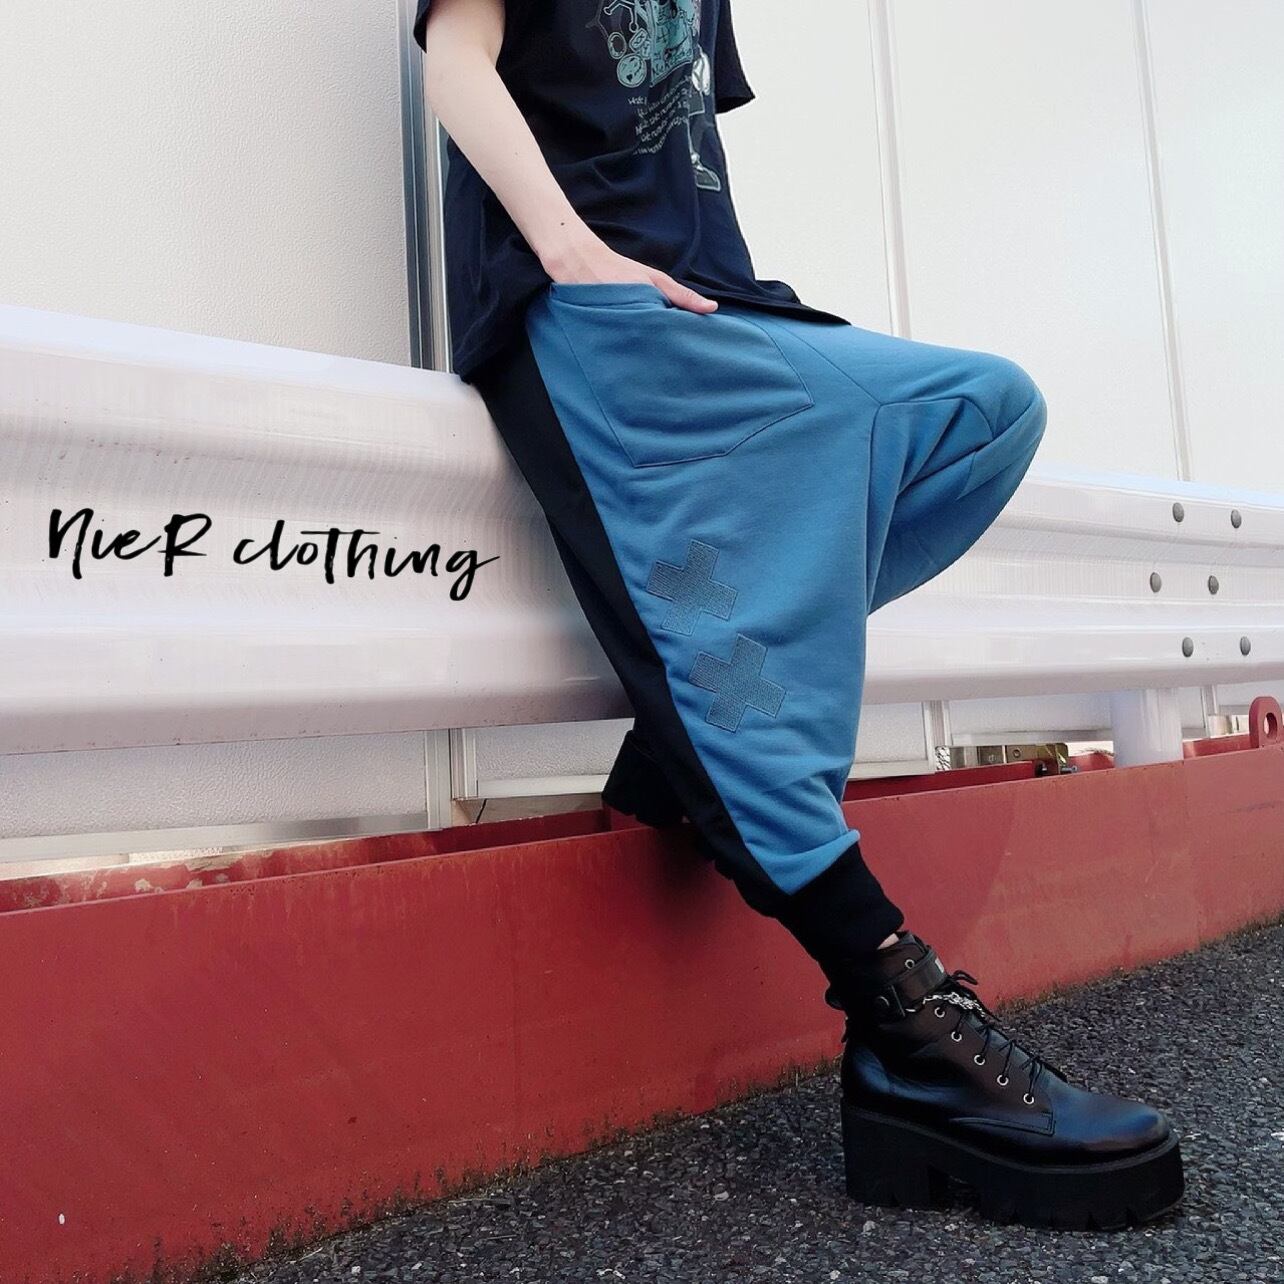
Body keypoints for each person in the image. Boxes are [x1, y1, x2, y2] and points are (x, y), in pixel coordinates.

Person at [414, 0, 1184, 1230]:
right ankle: (903, 1023)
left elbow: (677, 150)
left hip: (715, 308)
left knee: (985, 413)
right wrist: (572, 255)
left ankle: (673, 753)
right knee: (743, 686)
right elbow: (456, 57)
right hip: (598, 318)